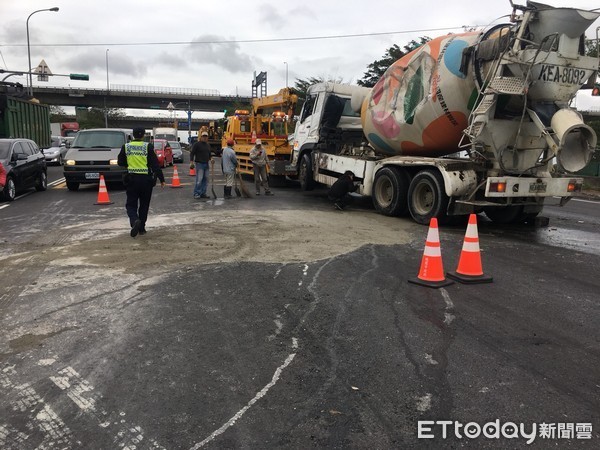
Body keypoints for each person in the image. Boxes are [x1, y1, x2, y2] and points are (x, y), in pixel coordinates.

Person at [118, 126, 165, 237]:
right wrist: (162, 179)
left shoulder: (126, 147)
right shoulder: (147, 146)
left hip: (132, 179)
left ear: (133, 135)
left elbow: (120, 162)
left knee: (131, 204)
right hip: (146, 180)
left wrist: (129, 164)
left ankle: (134, 220)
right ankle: (142, 228)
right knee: (144, 205)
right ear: (144, 135)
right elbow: (155, 165)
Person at [190, 131, 212, 199]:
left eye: (206, 136)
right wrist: (191, 162)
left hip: (206, 164)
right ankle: (196, 193)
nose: (205, 138)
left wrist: (211, 159)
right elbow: (192, 153)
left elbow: (209, 155)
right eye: (203, 136)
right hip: (199, 164)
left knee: (206, 179)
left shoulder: (208, 145)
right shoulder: (197, 144)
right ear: (201, 137)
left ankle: (203, 193)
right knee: (199, 180)